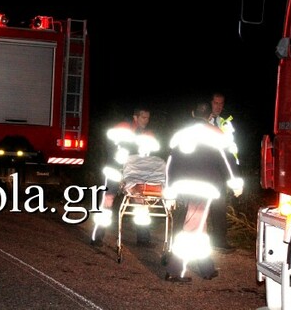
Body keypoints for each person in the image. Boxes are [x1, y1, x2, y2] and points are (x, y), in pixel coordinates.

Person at [164, 100, 243, 282]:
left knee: (199, 226)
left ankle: (206, 268)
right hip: (204, 187)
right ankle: (175, 270)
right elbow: (227, 161)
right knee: (192, 227)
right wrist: (236, 183)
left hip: (182, 186)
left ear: (193, 114)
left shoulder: (180, 134)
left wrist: (169, 192)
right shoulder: (216, 134)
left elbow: (170, 165)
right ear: (210, 116)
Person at [92, 106, 163, 247]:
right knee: (107, 201)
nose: (146, 121)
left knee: (141, 203)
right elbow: (111, 147)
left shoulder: (147, 133)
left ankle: (143, 238)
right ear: (135, 117)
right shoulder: (123, 128)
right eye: (143, 117)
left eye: (148, 118)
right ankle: (97, 236)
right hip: (115, 170)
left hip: (134, 173)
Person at [208, 92, 239, 253]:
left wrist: (232, 173)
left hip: (219, 171)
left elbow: (231, 149)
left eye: (221, 103)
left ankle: (219, 241)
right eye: (216, 103)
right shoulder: (201, 121)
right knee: (197, 206)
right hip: (202, 169)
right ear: (210, 103)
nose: (218, 106)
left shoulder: (225, 123)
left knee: (219, 206)